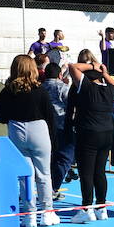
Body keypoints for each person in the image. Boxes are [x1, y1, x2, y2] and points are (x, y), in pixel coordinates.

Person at [0, 54, 59, 227]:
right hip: (39, 130)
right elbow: (50, 117)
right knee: (44, 174)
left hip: (17, 131)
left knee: (25, 175)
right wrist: (53, 139)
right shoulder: (40, 90)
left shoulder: (7, 91)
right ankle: (47, 213)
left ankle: (29, 215)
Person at [65, 59, 114, 222]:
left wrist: (91, 66)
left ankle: (86, 208)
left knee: (86, 173)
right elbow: (112, 81)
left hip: (88, 133)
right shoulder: (110, 89)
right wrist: (103, 71)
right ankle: (101, 207)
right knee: (99, 171)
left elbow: (72, 67)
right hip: (106, 133)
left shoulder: (86, 87)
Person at [43, 63, 73, 196]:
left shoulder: (40, 87)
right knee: (65, 158)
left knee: (49, 158)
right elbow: (71, 105)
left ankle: (47, 186)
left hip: (44, 128)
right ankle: (54, 187)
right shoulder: (63, 87)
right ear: (60, 74)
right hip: (61, 126)